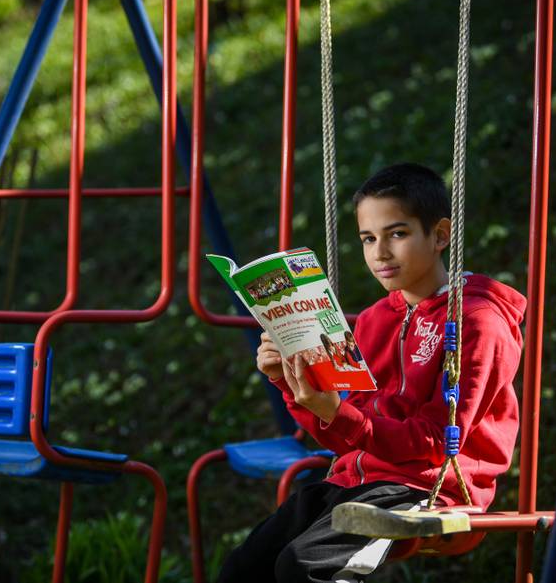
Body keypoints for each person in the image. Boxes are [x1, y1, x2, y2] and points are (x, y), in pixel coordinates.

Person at [220, 163, 526, 583]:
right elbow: (346, 437)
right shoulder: (373, 320)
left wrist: (342, 416)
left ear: (439, 235)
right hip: (357, 480)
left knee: (305, 567)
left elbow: (438, 443)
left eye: (396, 234)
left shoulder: (478, 321)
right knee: (244, 568)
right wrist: (293, 387)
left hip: (426, 489)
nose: (379, 253)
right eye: (368, 238)